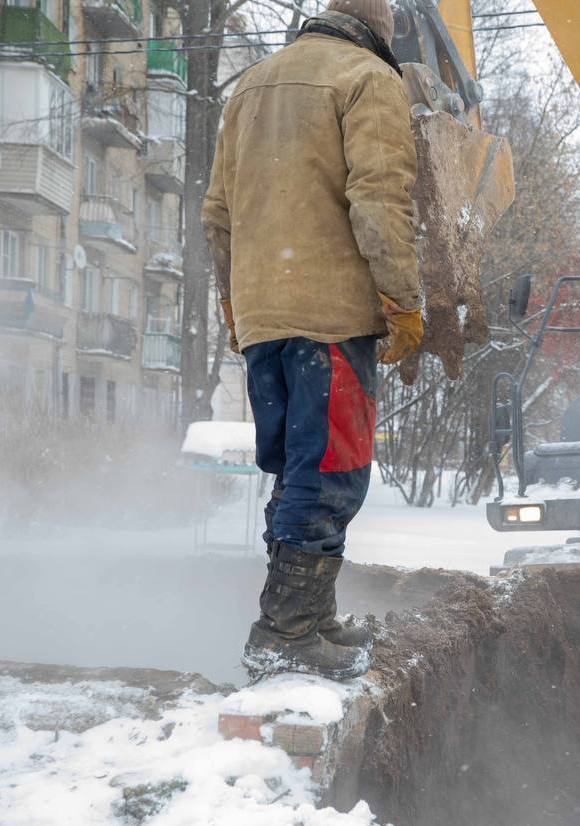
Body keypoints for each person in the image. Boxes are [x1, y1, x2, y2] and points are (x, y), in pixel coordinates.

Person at [201, 0, 423, 681]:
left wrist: (237, 305)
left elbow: (217, 213)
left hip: (265, 318)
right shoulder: (366, 79)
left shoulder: (253, 87)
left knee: (300, 470)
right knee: (329, 475)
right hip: (328, 314)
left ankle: (310, 615)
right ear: (378, 32)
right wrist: (403, 300)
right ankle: (285, 630)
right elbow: (381, 199)